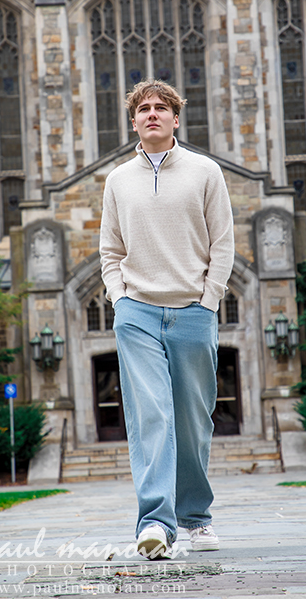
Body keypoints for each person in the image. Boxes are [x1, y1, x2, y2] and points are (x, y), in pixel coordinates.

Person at [99, 79, 234, 559]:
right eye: (144, 109)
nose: (152, 114)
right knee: (151, 415)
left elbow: (223, 243)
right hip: (137, 313)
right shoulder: (117, 180)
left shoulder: (205, 172)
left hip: (193, 313)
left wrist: (209, 300)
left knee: (193, 421)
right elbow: (110, 250)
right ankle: (155, 523)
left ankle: (196, 517)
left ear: (176, 119)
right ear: (133, 121)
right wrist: (120, 299)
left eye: (161, 108)